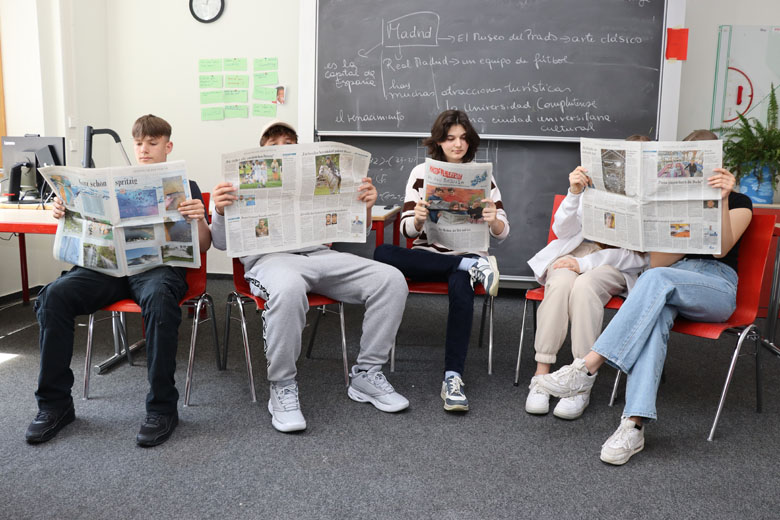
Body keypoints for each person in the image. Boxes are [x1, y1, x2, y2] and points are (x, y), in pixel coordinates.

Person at [535, 129, 752, 465]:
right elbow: (659, 261)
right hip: (670, 282)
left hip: (715, 286)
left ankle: (586, 367)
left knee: (656, 279)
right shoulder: (673, 205)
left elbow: (722, 247)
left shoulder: (739, 202)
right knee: (655, 312)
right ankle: (633, 426)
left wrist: (722, 198)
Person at [210, 119, 409, 433]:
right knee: (288, 289)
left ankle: (367, 374)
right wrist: (220, 212)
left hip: (321, 257)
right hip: (271, 261)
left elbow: (359, 228)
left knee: (391, 279)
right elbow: (220, 243)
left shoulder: (318, 178)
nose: (281, 148)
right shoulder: (232, 185)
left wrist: (366, 205)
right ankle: (282, 386)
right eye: (272, 144)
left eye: (288, 144)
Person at [26, 114, 211, 447]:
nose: (144, 149)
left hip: (157, 269)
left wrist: (197, 219)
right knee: (54, 297)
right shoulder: (109, 181)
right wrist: (64, 212)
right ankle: (55, 405)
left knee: (158, 300)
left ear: (167, 146)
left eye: (153, 143)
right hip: (105, 270)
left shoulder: (187, 186)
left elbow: (204, 244)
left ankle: (162, 408)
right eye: (139, 143)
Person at [373, 109, 509, 412]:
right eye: (450, 139)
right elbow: (407, 229)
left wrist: (492, 220)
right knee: (382, 252)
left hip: (470, 252)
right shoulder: (421, 173)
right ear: (439, 142)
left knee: (461, 286)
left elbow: (503, 231)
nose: (457, 145)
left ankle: (453, 377)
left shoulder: (482, 176)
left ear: (469, 141)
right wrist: (418, 219)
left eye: (462, 139)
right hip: (429, 255)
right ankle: (469, 268)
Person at [524, 135, 650, 420]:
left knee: (585, 286)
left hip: (619, 260)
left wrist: (586, 263)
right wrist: (574, 192)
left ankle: (580, 379)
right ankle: (542, 373)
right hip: (578, 249)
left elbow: (640, 257)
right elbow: (563, 230)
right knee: (559, 282)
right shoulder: (596, 183)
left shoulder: (647, 196)